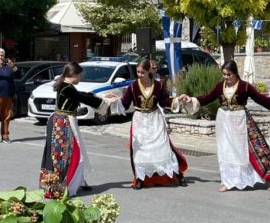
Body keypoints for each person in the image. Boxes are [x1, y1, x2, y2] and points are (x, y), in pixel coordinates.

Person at [180, 60, 270, 193]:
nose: (226, 77)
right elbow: (207, 98)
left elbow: (260, 98)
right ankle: (228, 181)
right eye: (224, 74)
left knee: (250, 150)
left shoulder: (245, 86)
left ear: (235, 73)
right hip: (224, 122)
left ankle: (267, 178)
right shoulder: (220, 87)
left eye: (229, 74)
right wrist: (191, 99)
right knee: (226, 150)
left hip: (240, 121)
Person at [110, 58, 187, 189]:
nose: (139, 75)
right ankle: (140, 178)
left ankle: (178, 174)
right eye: (138, 72)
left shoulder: (158, 85)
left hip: (155, 119)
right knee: (141, 151)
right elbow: (125, 103)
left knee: (163, 148)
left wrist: (177, 100)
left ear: (148, 71)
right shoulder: (133, 86)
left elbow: (164, 101)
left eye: (142, 72)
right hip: (140, 120)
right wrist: (114, 100)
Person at [39, 62, 108, 197]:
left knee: (71, 153)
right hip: (63, 124)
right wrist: (105, 102)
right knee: (67, 155)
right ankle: (61, 186)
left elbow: (80, 94)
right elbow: (81, 97)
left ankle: (76, 182)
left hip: (63, 121)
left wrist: (99, 96)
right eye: (80, 75)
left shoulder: (65, 86)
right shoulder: (67, 88)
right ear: (73, 75)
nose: (80, 78)